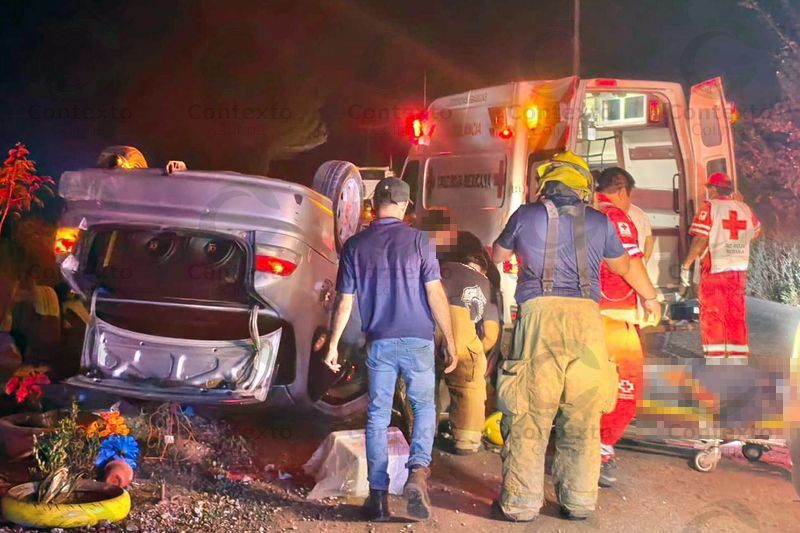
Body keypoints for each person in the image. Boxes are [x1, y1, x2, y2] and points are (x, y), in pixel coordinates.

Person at [491, 151, 661, 522]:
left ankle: (521, 503)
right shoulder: (600, 221)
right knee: (582, 414)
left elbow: (497, 253)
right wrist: (651, 297)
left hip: (539, 318)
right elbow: (625, 266)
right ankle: (579, 500)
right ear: (583, 185)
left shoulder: (526, 215)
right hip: (587, 321)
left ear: (546, 183)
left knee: (529, 413)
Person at [325, 177, 458, 522]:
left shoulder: (355, 246)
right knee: (423, 407)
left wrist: (333, 343)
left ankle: (379, 498)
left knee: (377, 417)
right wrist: (451, 340)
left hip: (379, 341)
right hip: (418, 340)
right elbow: (434, 293)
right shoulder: (418, 242)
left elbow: (344, 301)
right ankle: (417, 473)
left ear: (374, 205)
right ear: (405, 205)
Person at [594, 167, 658, 487]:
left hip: (579, 314)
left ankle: (578, 446)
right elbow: (631, 264)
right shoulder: (615, 218)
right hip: (611, 319)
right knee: (626, 389)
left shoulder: (581, 213)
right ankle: (602, 451)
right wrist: (651, 299)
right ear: (622, 191)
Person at [680, 172, 761, 363]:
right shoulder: (744, 208)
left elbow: (700, 239)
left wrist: (686, 265)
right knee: (736, 313)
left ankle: (715, 359)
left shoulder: (710, 208)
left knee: (713, 313)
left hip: (715, 269)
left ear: (714, 189)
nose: (707, 192)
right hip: (738, 269)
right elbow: (757, 231)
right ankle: (737, 358)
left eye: (709, 188)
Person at [439, 252, 500, 455]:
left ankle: (420, 434)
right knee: (470, 388)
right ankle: (466, 441)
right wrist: (477, 353)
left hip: (428, 331)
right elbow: (491, 334)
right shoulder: (485, 285)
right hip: (461, 336)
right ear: (483, 271)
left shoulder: (442, 269)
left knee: (424, 385)